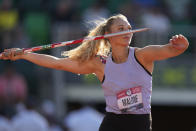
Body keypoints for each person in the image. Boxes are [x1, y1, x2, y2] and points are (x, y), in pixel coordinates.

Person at [0, 14, 189, 131]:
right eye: (121, 28)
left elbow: (170, 49)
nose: (128, 31)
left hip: (139, 123)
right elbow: (58, 63)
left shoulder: (143, 55)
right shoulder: (100, 63)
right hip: (113, 123)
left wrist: (180, 45)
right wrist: (25, 55)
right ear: (108, 35)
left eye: (129, 28)